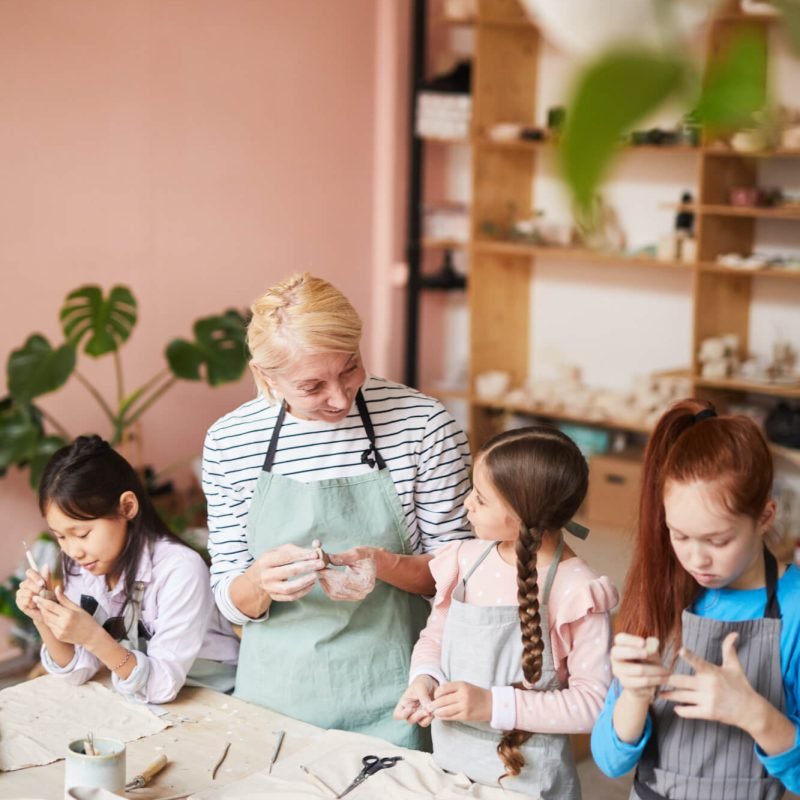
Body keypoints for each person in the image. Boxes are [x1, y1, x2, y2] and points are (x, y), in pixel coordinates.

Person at [202, 272, 471, 748]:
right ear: (267, 376)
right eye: (311, 385)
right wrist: (259, 583)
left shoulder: (422, 424)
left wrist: (384, 566)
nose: (339, 396)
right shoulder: (230, 442)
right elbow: (228, 600)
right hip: (277, 698)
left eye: (350, 368)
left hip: (399, 694)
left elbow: (463, 577)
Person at [394, 426, 618, 798]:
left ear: (520, 513)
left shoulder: (578, 591)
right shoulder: (465, 560)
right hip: (450, 769)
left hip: (528, 785)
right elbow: (436, 636)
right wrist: (425, 678)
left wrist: (491, 704)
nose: (466, 503)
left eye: (480, 498)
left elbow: (593, 705)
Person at [591, 399, 800, 798]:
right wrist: (634, 695)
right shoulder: (663, 592)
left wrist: (755, 715)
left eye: (718, 540)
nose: (696, 559)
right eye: (679, 536)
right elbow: (610, 761)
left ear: (765, 517)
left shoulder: (795, 611)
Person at [16, 435, 240, 704]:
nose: (73, 551)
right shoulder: (80, 566)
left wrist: (93, 637)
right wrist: (42, 618)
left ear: (127, 507)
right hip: (149, 699)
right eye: (61, 537)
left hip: (215, 699)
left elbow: (160, 686)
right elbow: (78, 670)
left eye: (82, 534)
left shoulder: (180, 570)